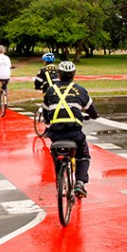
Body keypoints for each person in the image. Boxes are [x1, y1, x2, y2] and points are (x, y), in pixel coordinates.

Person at [43, 61, 99, 197]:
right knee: (83, 155)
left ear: (59, 75)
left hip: (55, 134)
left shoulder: (50, 91)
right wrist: (93, 116)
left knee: (56, 154)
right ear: (73, 75)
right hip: (74, 133)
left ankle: (59, 179)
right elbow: (92, 111)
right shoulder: (80, 90)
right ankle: (79, 183)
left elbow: (45, 114)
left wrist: (48, 121)